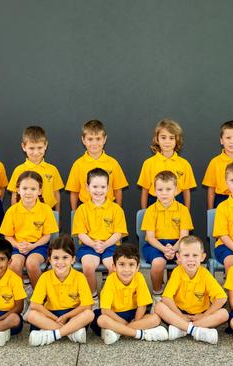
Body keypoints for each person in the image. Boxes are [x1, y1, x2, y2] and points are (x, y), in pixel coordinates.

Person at [154, 235, 228, 344]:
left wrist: (204, 315)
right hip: (179, 312)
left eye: (195, 255)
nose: (191, 259)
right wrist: (180, 315)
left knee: (224, 314)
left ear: (202, 257)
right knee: (159, 307)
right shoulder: (177, 272)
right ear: (178, 257)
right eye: (186, 255)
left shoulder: (205, 274)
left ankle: (183, 329)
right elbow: (166, 297)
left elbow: (221, 298)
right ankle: (195, 330)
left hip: (201, 314)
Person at [91, 244, 167, 344]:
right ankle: (141, 334)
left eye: (131, 265)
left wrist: (136, 320)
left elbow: (142, 306)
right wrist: (126, 324)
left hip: (133, 314)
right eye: (122, 264)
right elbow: (105, 311)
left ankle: (117, 332)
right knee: (101, 320)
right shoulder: (110, 280)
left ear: (137, 267)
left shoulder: (139, 277)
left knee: (156, 319)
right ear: (114, 267)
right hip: (113, 315)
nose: (126, 270)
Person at [27, 236, 95, 346]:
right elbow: (35, 304)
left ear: (73, 259)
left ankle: (53, 335)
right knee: (31, 315)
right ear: (49, 259)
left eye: (65, 257)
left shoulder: (80, 277)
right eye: (56, 258)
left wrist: (66, 316)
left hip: (73, 315)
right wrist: (56, 318)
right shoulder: (45, 277)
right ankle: (71, 333)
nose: (60, 262)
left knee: (89, 314)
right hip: (51, 315)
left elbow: (87, 306)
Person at [72, 168, 127, 298]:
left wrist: (105, 244)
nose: (99, 190)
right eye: (95, 186)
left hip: (111, 246)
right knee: (88, 266)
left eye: (102, 187)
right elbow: (81, 234)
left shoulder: (116, 209)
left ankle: (108, 295)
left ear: (108, 187)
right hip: (89, 246)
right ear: (87, 187)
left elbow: (118, 233)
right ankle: (93, 296)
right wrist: (94, 244)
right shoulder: (82, 209)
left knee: (114, 267)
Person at [0, 171, 59, 287]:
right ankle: (22, 293)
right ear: (18, 190)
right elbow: (7, 236)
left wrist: (33, 246)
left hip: (38, 246)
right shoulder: (12, 211)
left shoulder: (45, 209)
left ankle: (38, 294)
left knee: (32, 263)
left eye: (33, 189)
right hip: (17, 246)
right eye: (25, 188)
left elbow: (47, 236)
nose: (28, 192)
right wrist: (18, 245)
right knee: (15, 264)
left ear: (40, 191)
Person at [141, 171, 193, 296]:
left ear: (176, 190)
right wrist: (164, 249)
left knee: (185, 263)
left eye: (168, 189)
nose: (164, 193)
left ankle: (175, 294)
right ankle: (157, 293)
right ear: (154, 191)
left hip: (178, 244)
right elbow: (150, 237)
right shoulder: (150, 210)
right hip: (155, 245)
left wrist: (174, 249)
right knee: (158, 263)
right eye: (160, 189)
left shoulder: (183, 210)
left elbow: (184, 237)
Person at [65, 120, 129, 210]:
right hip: (85, 209)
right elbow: (74, 192)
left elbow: (118, 190)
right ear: (83, 140)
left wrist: (117, 210)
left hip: (109, 208)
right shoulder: (78, 164)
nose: (94, 143)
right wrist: (74, 212)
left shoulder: (113, 163)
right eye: (90, 139)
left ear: (105, 139)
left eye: (98, 139)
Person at [137, 118, 196, 209]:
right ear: (157, 139)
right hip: (154, 202)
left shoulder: (184, 164)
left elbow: (186, 191)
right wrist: (144, 211)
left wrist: (186, 212)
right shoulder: (148, 163)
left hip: (177, 201)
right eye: (163, 137)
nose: (167, 141)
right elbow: (145, 191)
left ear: (177, 140)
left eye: (171, 138)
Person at [8, 126, 64, 211]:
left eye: (39, 148)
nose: (36, 152)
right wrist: (14, 214)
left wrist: (57, 216)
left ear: (45, 145)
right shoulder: (18, 170)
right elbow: (14, 195)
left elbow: (56, 194)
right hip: (24, 212)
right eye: (31, 148)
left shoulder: (52, 169)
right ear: (23, 147)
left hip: (48, 212)